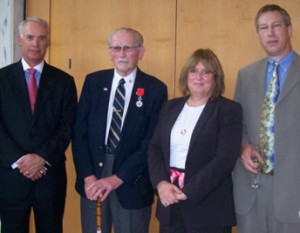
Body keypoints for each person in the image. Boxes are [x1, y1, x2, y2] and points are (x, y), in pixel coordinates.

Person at [72, 27, 168, 233]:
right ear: (109, 52)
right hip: (94, 175)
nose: (122, 54)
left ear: (140, 52)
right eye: (116, 48)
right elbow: (79, 134)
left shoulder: (155, 89)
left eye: (128, 48)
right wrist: (88, 177)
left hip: (132, 177)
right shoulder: (94, 82)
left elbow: (151, 142)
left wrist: (117, 178)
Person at [148, 48, 242, 233]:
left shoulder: (228, 110)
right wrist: (161, 184)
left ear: (216, 78)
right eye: (194, 70)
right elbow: (155, 148)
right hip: (170, 203)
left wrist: (188, 191)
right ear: (186, 75)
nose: (199, 76)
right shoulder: (170, 107)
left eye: (206, 71)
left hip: (208, 208)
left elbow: (224, 159)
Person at [0, 16, 77, 233]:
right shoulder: (2, 79)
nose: (36, 43)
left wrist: (41, 157)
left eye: (42, 38)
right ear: (19, 40)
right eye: (30, 37)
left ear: (48, 42)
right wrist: (21, 160)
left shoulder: (64, 81)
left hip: (49, 177)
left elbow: (67, 126)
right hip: (11, 177)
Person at [233, 4, 300, 233]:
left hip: (294, 189)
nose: (270, 33)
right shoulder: (246, 75)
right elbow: (237, 124)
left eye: (276, 26)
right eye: (263, 28)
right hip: (252, 187)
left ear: (289, 29)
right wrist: (243, 147)